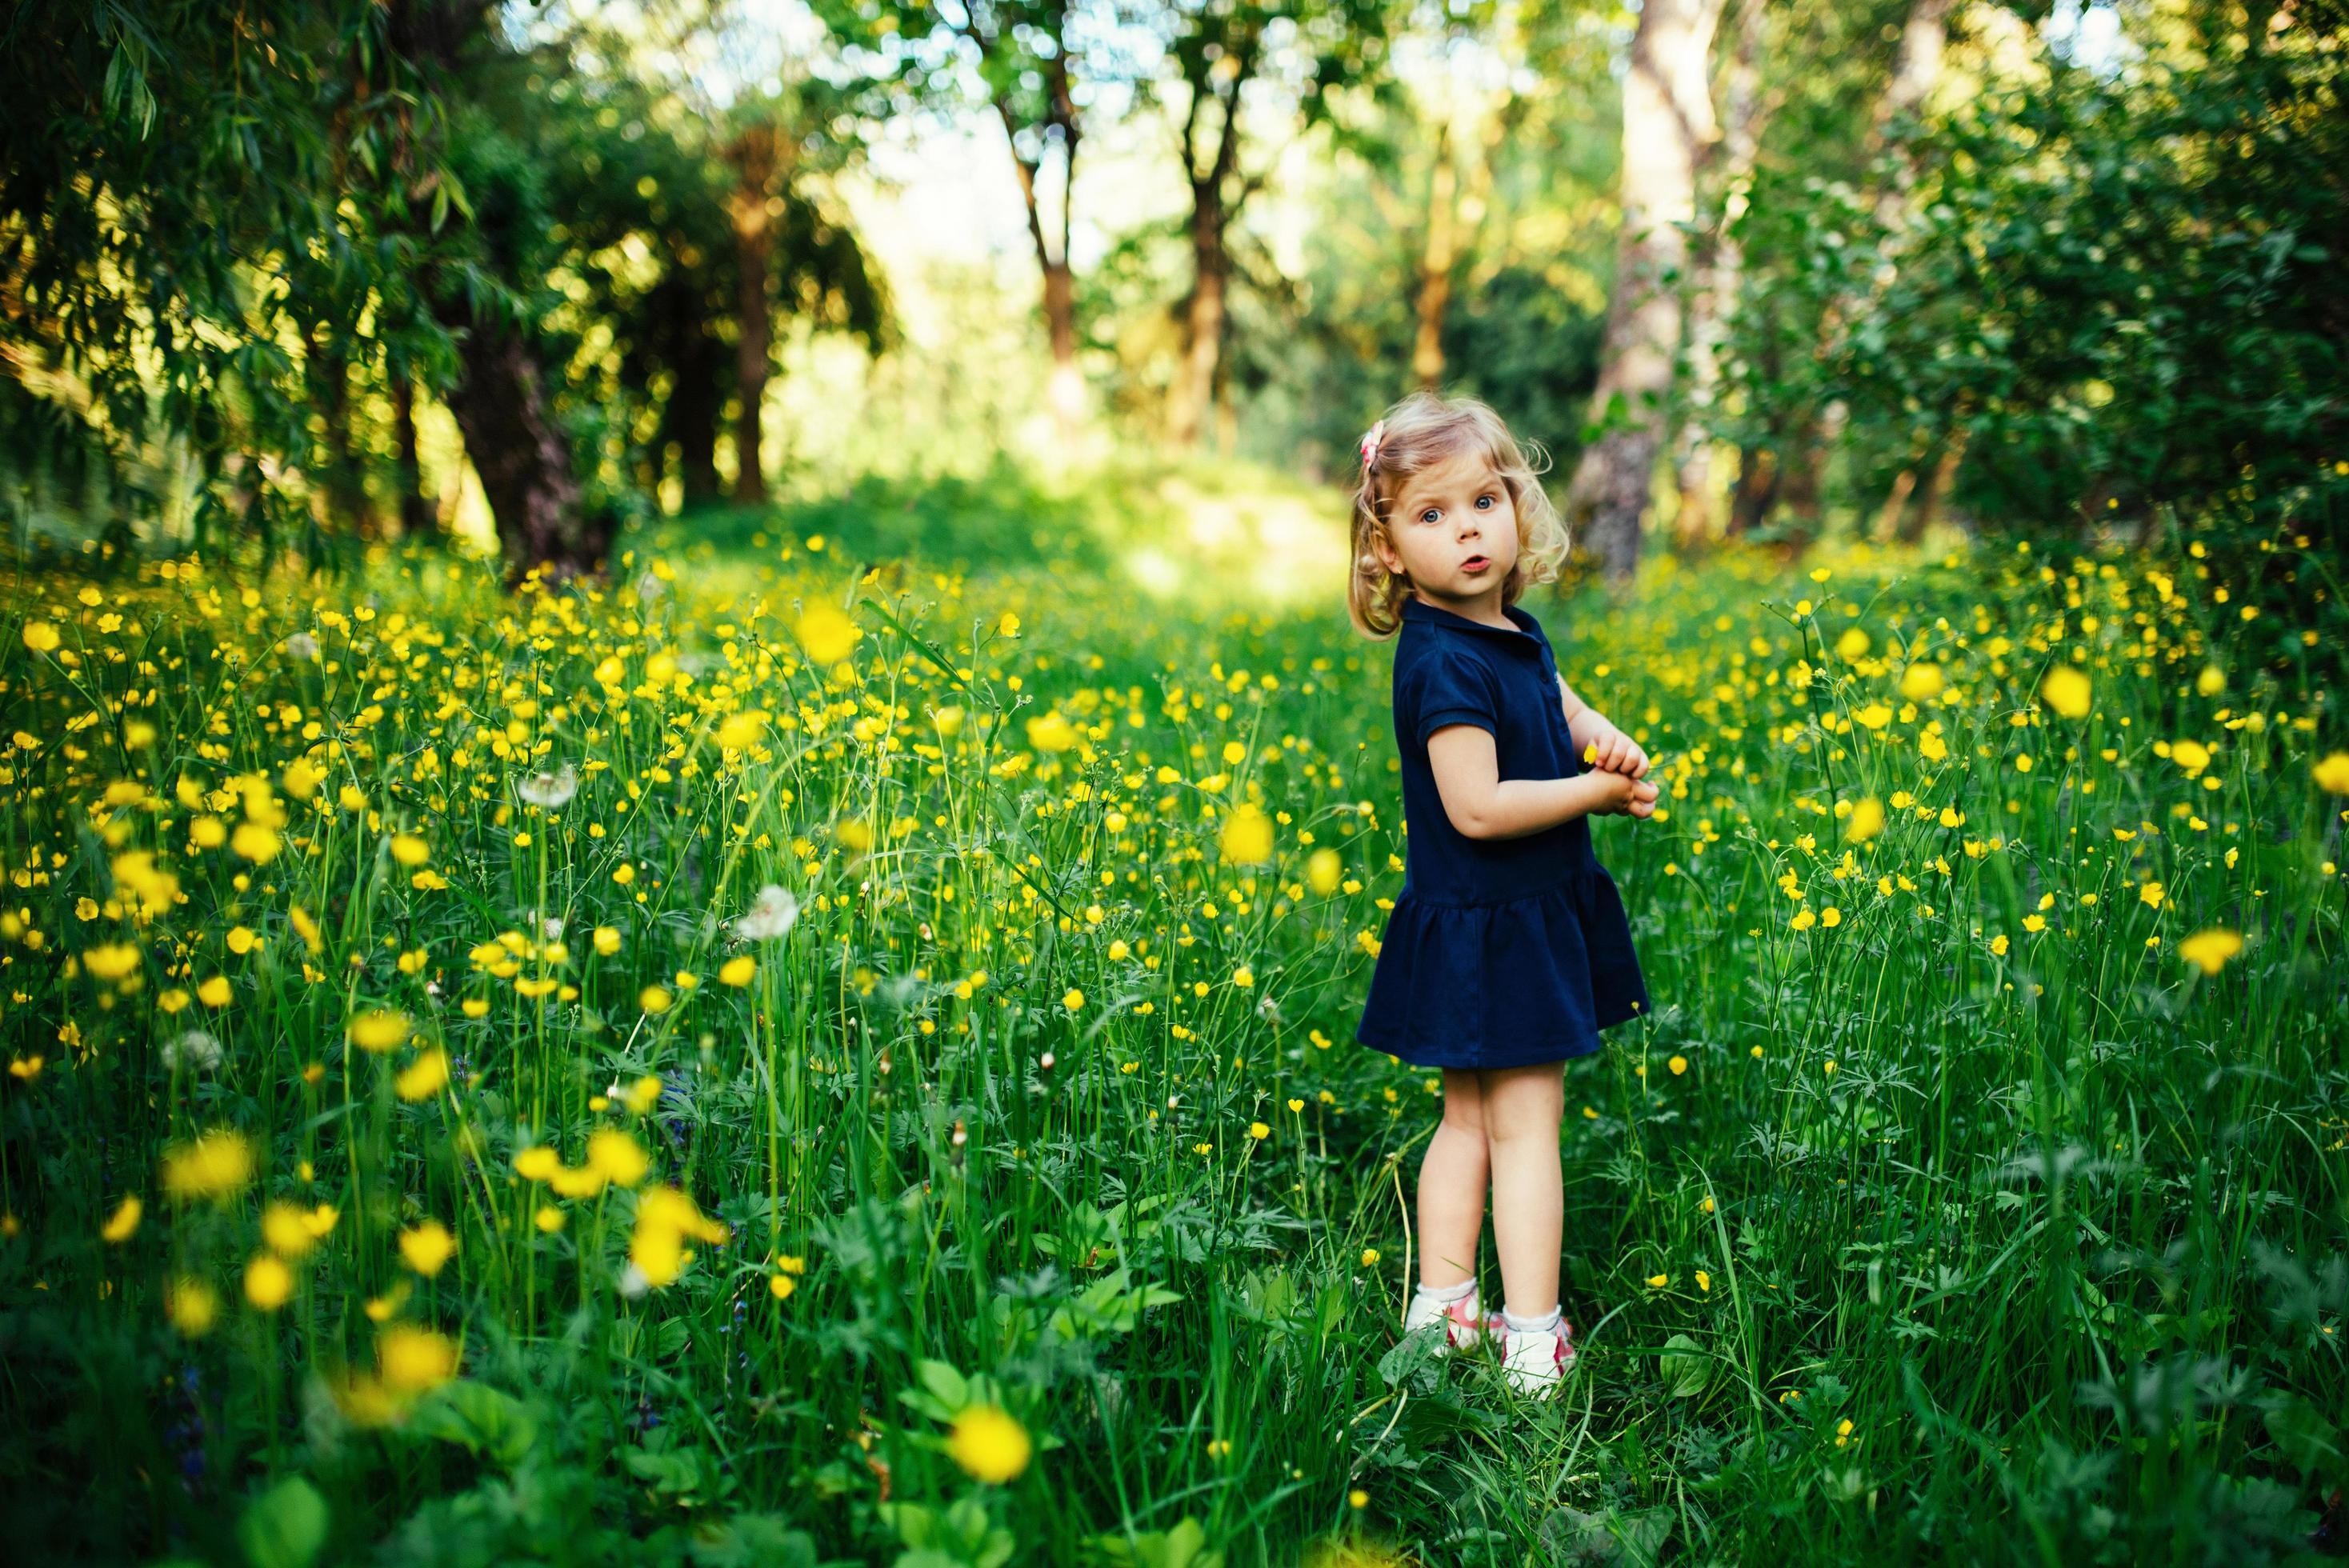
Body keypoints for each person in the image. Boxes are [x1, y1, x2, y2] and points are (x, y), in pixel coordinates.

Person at [1345, 390, 1659, 1397]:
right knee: (1518, 1128)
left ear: (1516, 505)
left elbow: (1554, 699)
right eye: (1429, 515)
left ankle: (1441, 1312)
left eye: (1483, 499)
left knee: (1470, 1122)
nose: (1467, 529)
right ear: (1386, 547)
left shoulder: (1503, 628)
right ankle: (1531, 1336)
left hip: (1500, 919)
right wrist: (1593, 794)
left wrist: (1601, 739)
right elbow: (1474, 807)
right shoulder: (1440, 661)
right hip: (1496, 927)